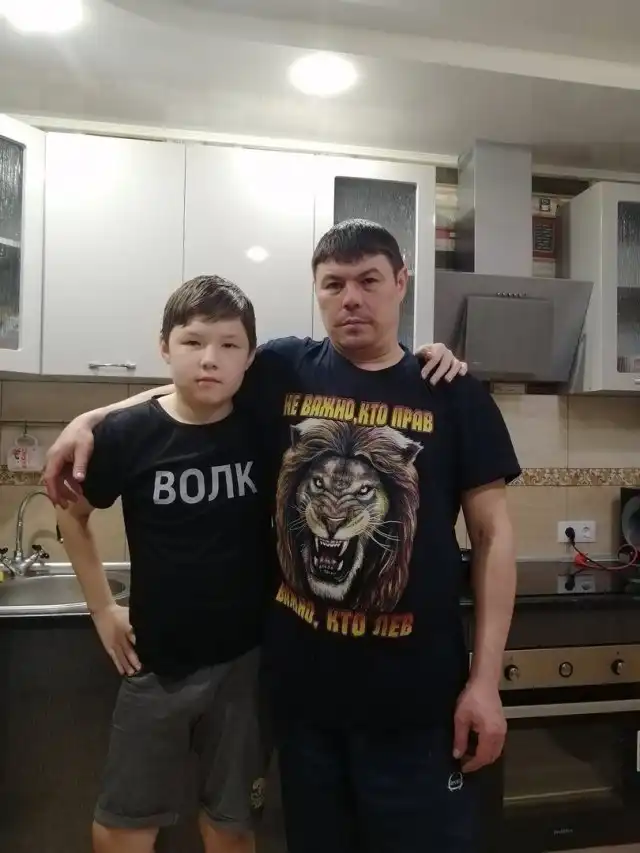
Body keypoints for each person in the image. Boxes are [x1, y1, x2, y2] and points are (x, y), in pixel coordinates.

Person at [45, 219, 514, 853]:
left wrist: (484, 682)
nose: (352, 298)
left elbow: (492, 537)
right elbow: (200, 379)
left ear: (401, 283)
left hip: (414, 701)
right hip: (300, 695)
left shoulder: (451, 391)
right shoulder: (285, 368)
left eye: (370, 280)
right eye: (334, 284)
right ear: (317, 291)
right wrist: (92, 417)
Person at [56, 275, 271, 853]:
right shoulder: (130, 434)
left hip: (245, 666)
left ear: (250, 356)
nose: (210, 358)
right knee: (122, 826)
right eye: (192, 341)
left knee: (232, 825)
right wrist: (102, 608)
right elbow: (71, 515)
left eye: (229, 344)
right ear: (164, 347)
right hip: (155, 666)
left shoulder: (261, 425)